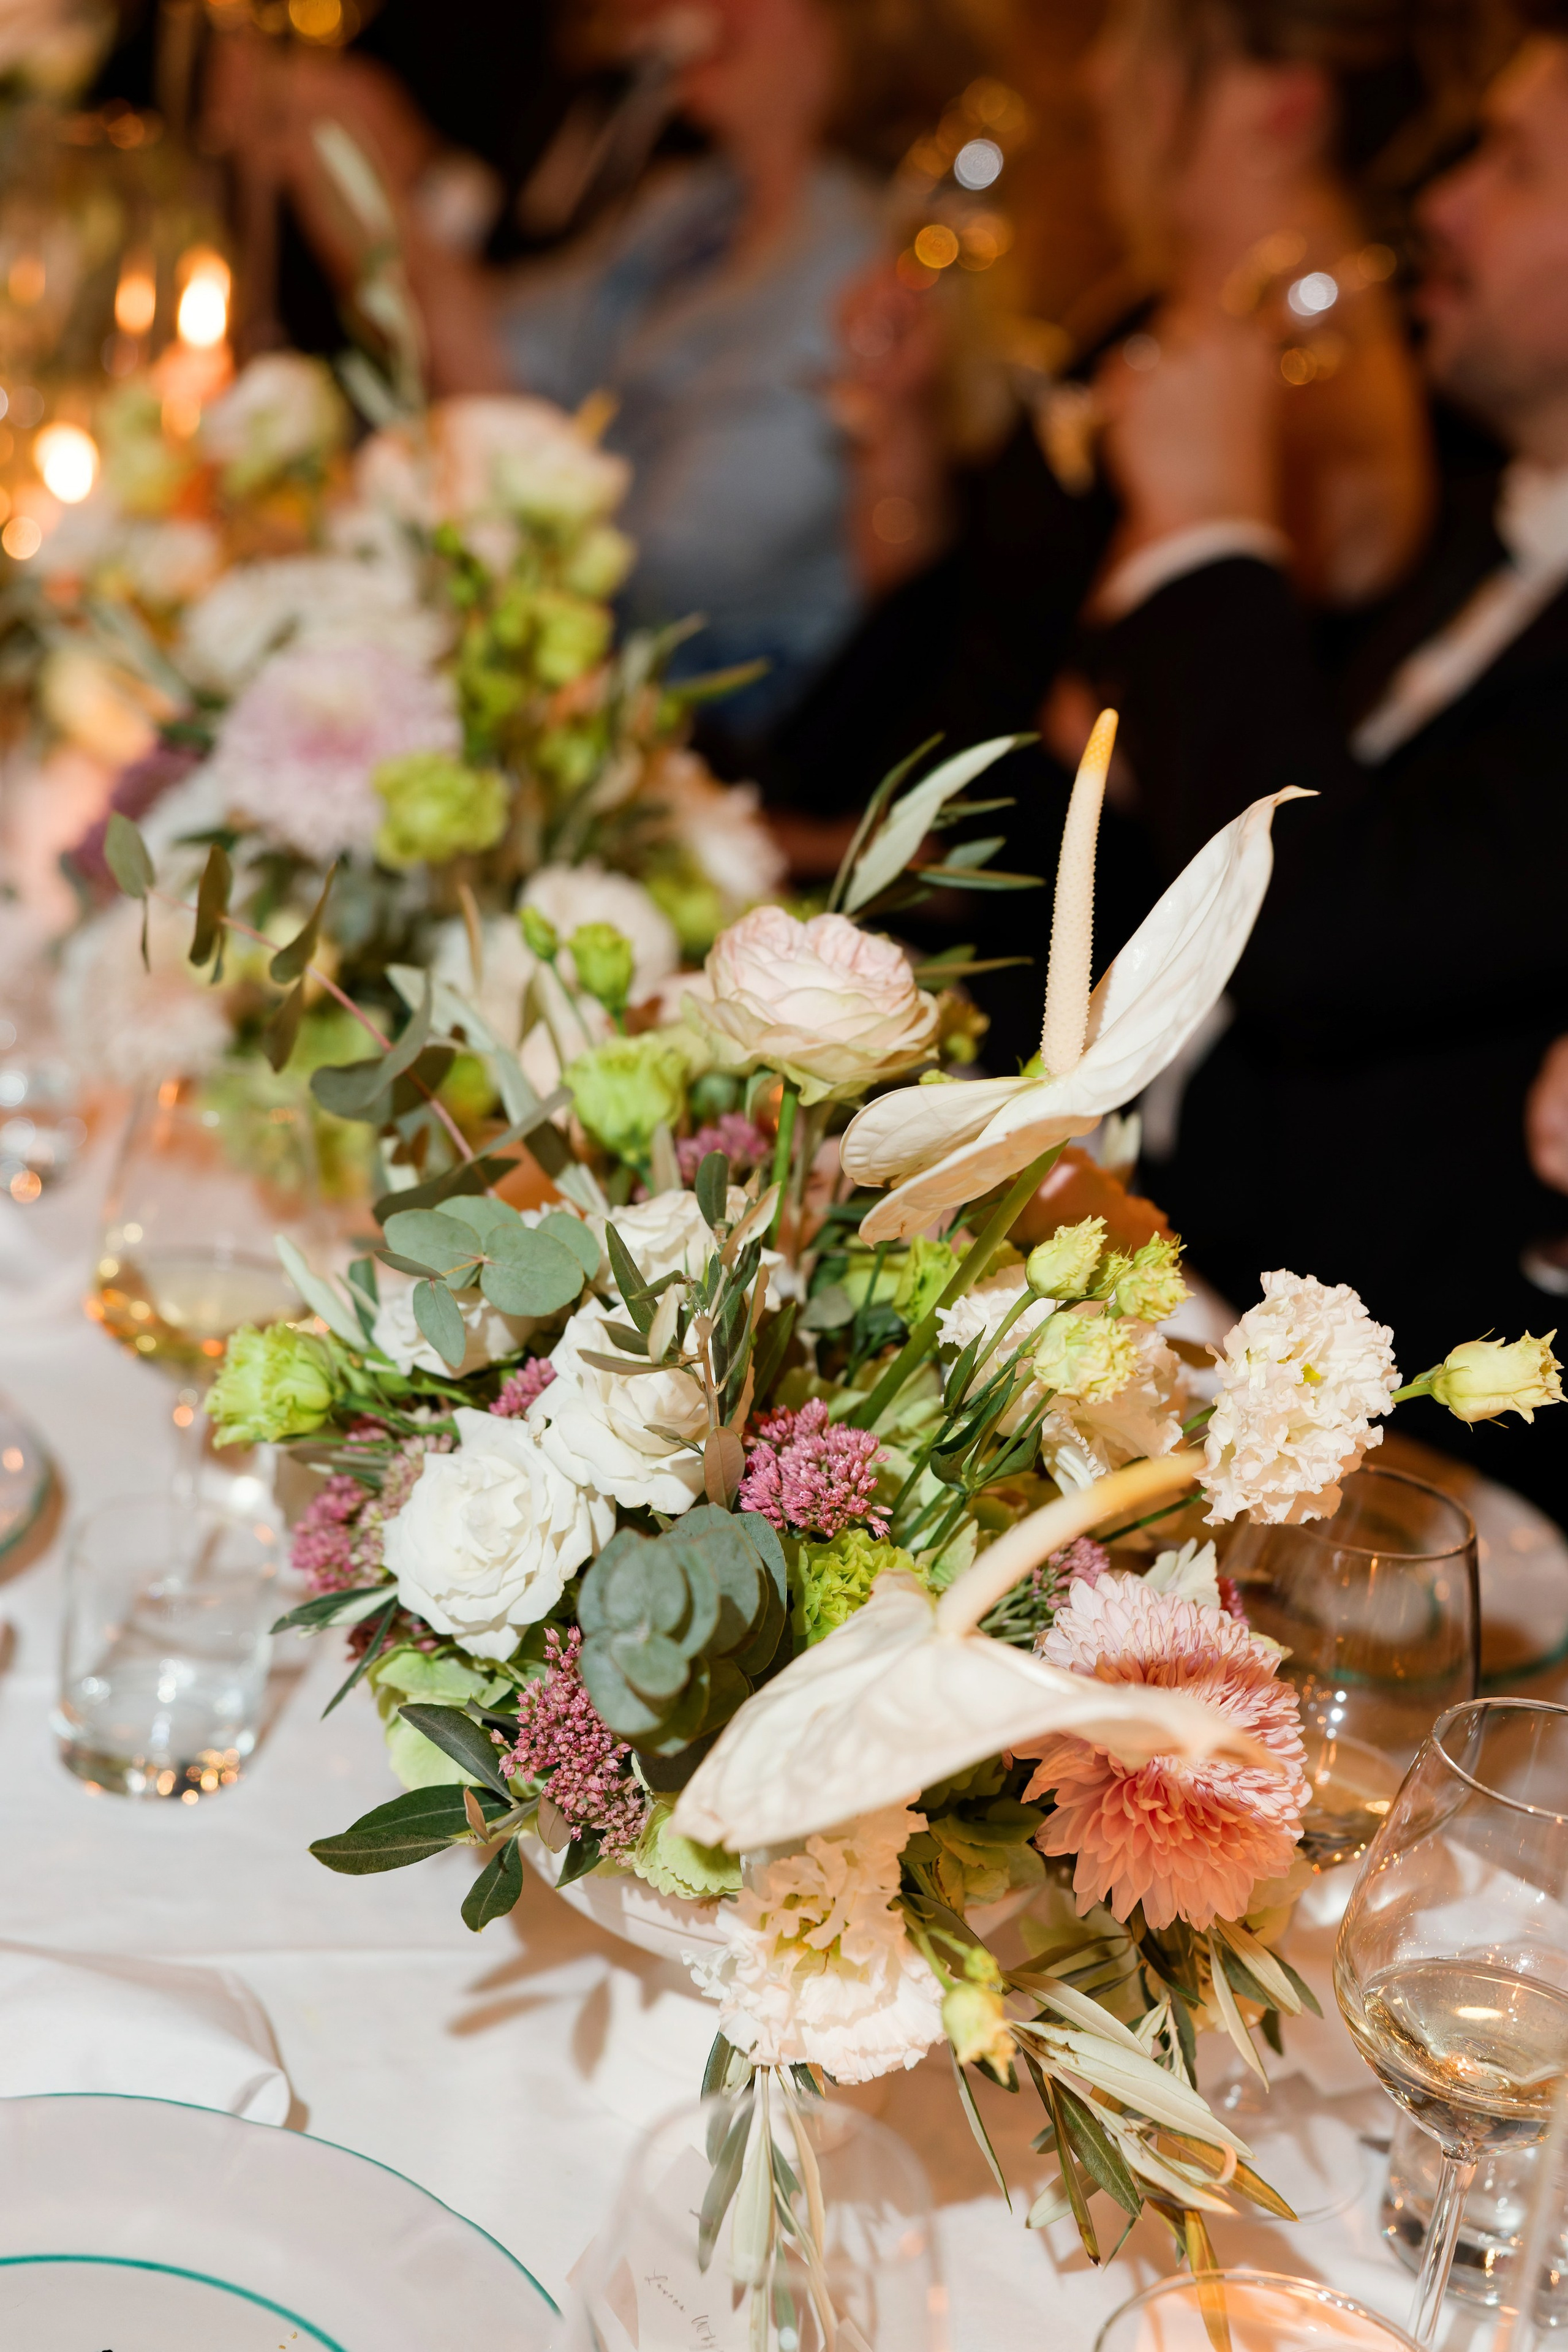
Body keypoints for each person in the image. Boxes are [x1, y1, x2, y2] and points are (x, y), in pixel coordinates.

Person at [1088, 8, 1568, 1514]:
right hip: (1163, 1289)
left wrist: (1212, 531)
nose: (1435, 201)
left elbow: (1313, 929)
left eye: (1514, 164)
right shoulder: (1499, 546)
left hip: (1377, 1483)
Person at [761, 0, 1464, 848]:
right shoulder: (1144, 319)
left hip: (993, 918)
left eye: (1159, 49)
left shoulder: (1323, 381)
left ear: (1287, 106)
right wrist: (901, 425)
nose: (1101, 79)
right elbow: (960, 624)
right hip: (874, 829)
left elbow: (1128, 765)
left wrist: (831, 860)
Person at [221, 0, 981, 734]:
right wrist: (379, 180)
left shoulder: (849, 262)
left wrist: (368, 196)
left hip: (704, 742)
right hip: (579, 698)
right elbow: (495, 345)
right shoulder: (697, 205)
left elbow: (645, 568)